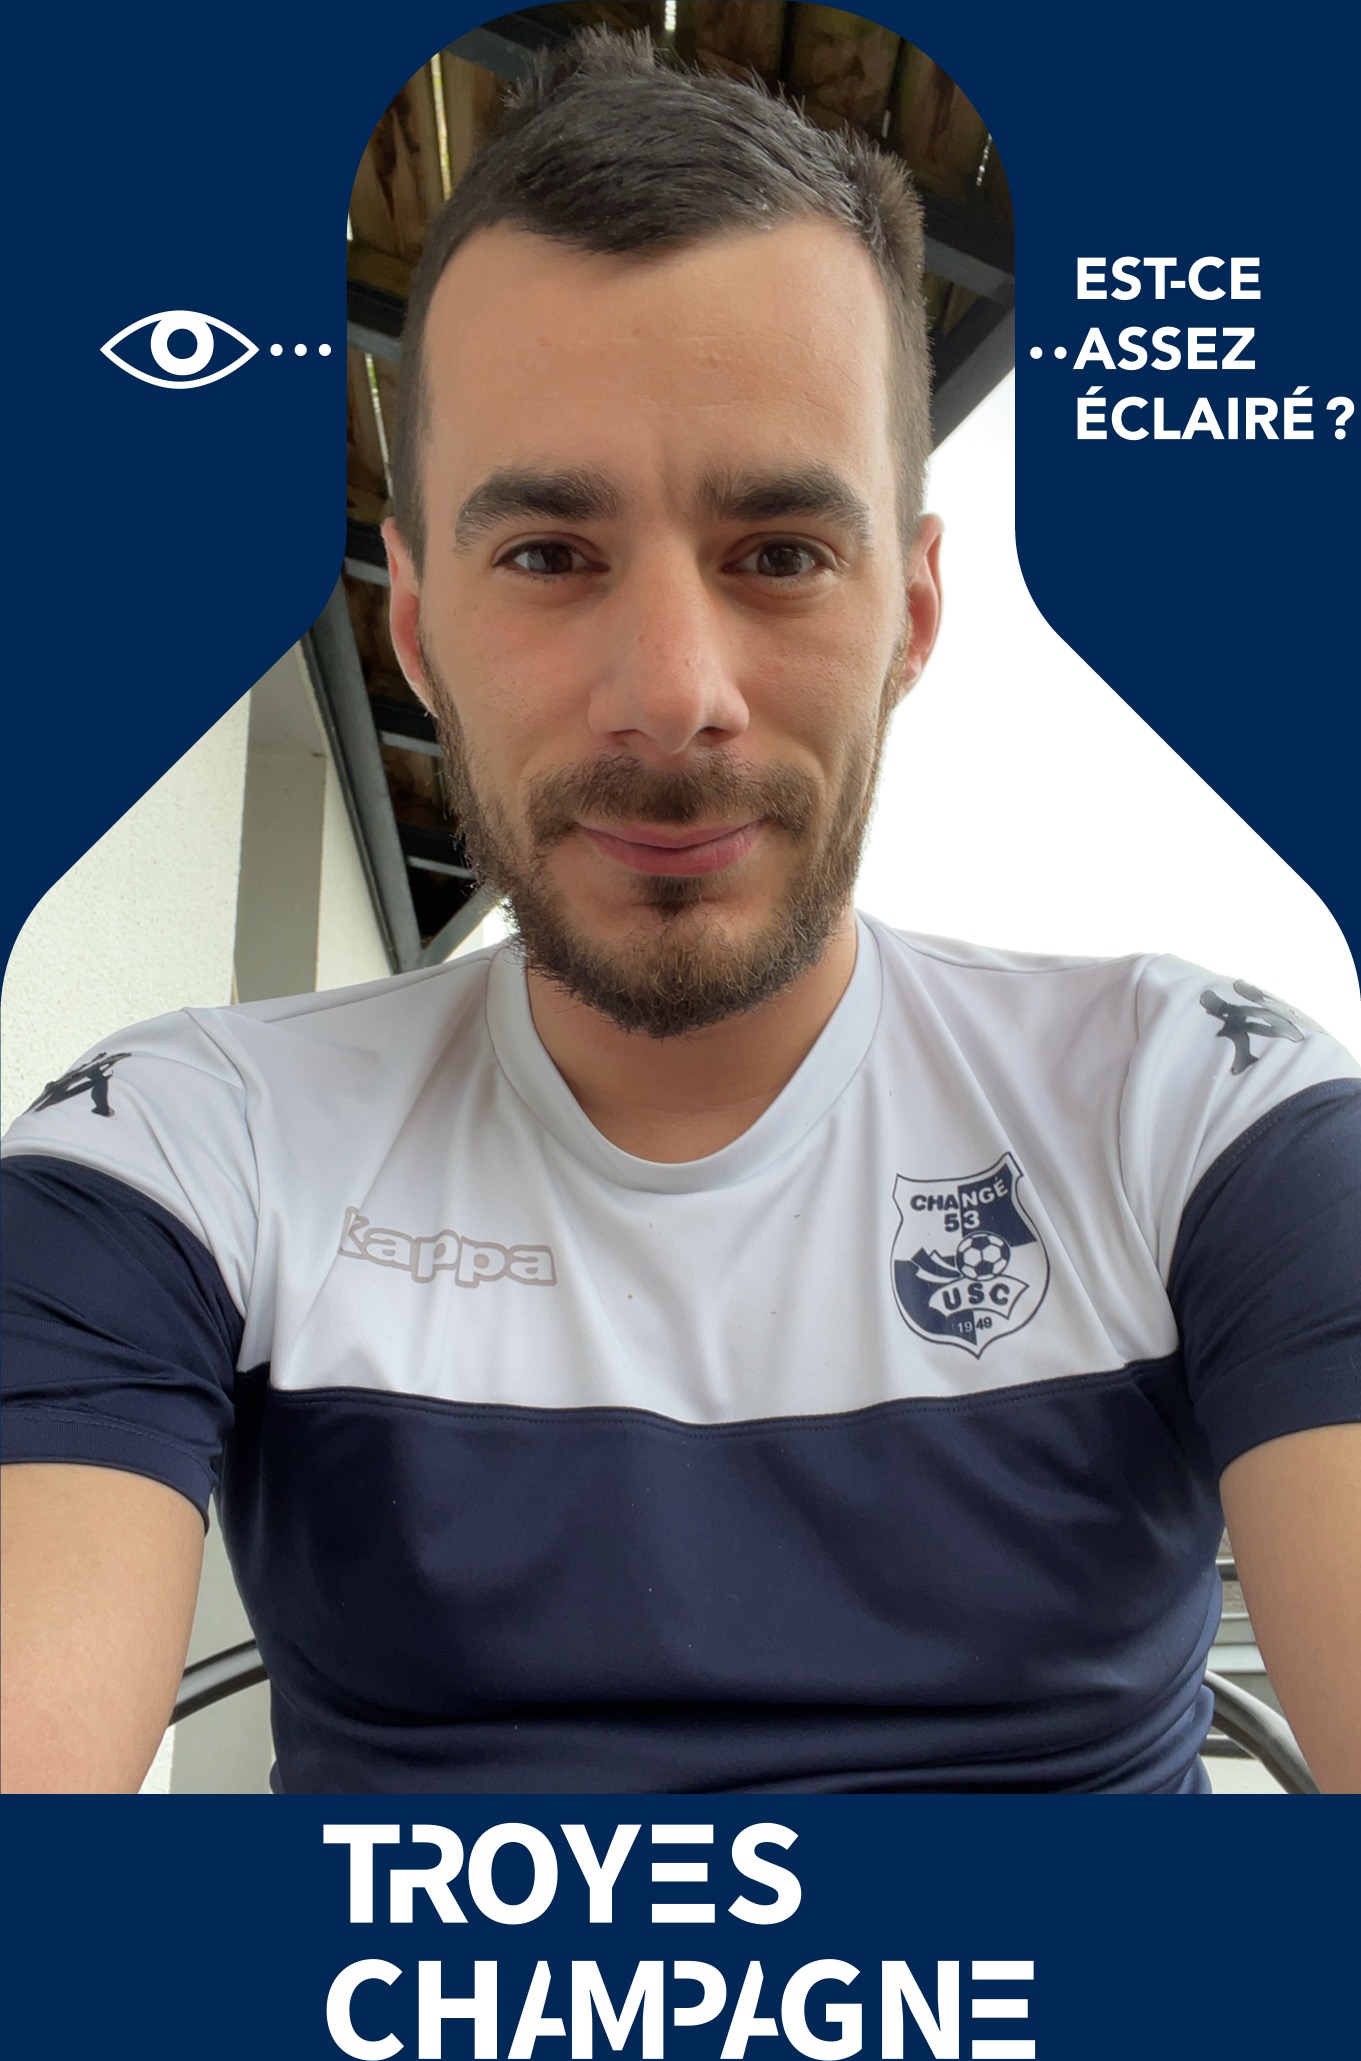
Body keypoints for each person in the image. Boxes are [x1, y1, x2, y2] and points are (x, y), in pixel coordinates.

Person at [3, 31, 1358, 1795]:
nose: (670, 693)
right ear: (413, 625)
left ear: (910, 612)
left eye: (779, 554)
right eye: (546, 556)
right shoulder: (187, 1145)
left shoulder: (1196, 1114)